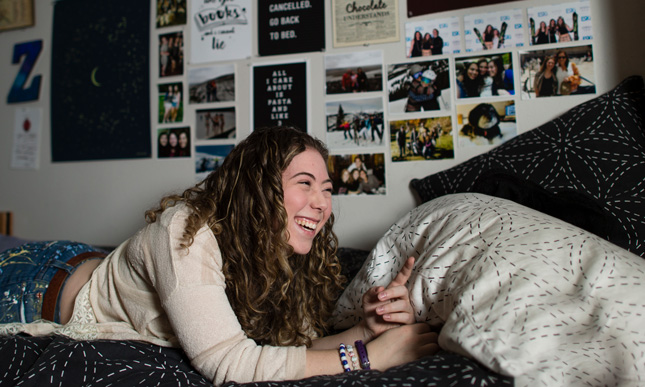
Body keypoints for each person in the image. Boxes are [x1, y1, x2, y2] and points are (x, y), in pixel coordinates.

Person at [0, 127, 439, 385]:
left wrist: (366, 330)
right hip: (39, 282)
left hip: (94, 260)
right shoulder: (183, 231)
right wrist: (369, 359)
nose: (322, 203)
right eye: (305, 183)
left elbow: (290, 352)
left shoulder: (286, 250)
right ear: (259, 189)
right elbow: (231, 363)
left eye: (326, 189)